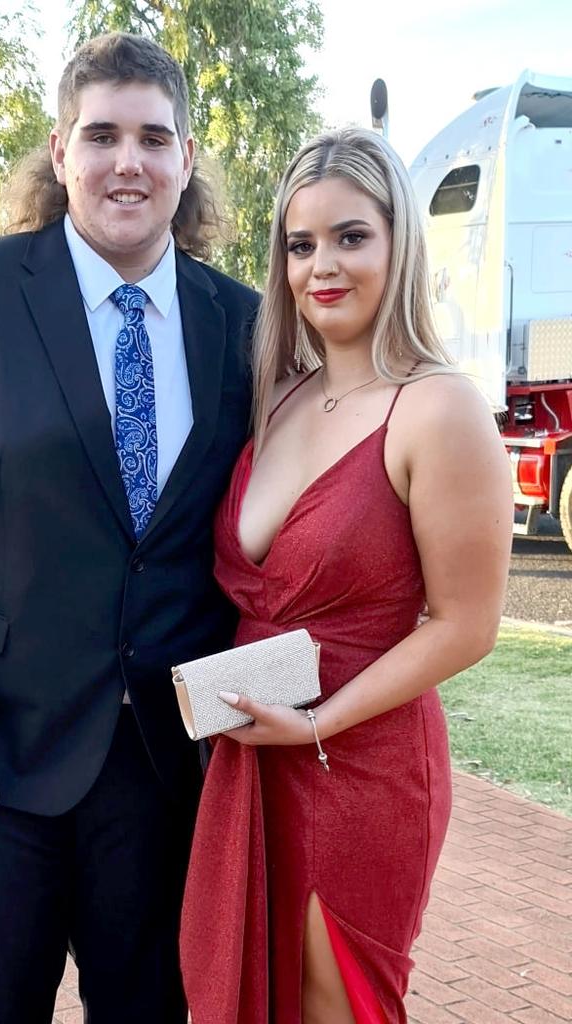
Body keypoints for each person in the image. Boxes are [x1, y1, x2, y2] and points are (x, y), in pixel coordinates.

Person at [0, 31, 258, 1024]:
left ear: (187, 160)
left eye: (155, 137)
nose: (130, 160)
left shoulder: (246, 325)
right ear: (59, 152)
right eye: (103, 134)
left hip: (169, 774)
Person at [180, 127, 513, 1024]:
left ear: (399, 242)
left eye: (351, 236)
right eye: (301, 243)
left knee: (338, 1004)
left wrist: (317, 722)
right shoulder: (279, 394)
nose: (322, 265)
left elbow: (466, 624)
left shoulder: (437, 406)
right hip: (254, 752)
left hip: (357, 764)